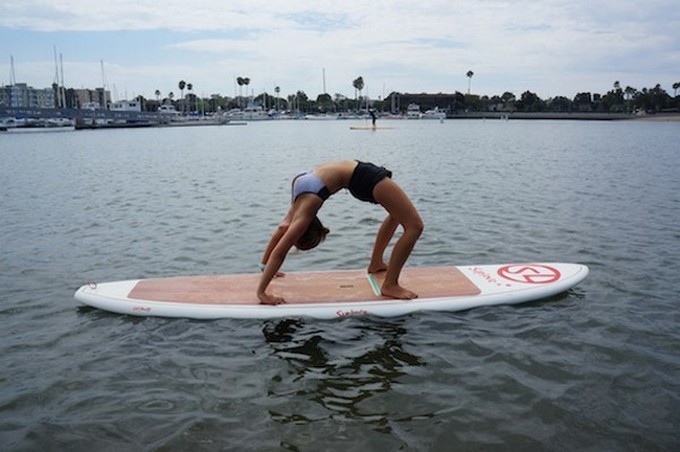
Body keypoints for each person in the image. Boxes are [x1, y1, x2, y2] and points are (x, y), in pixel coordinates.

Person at [257, 160, 424, 305]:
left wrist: (262, 287)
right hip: (360, 174)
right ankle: (384, 275)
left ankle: (383, 274)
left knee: (406, 221)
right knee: (409, 221)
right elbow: (281, 236)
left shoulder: (303, 214)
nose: (291, 236)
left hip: (362, 177)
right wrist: (264, 277)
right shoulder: (299, 203)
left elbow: (279, 249)